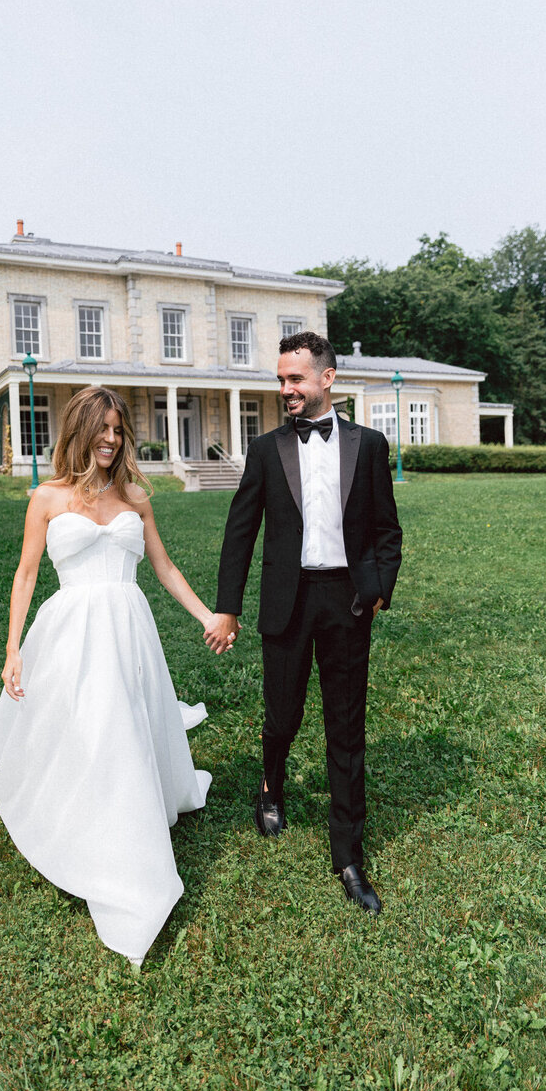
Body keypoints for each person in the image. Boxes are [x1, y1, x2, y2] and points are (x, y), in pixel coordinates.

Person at [0, 387, 232, 966]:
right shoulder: (46, 497)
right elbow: (26, 575)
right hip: (69, 629)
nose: (112, 439)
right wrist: (12, 650)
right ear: (81, 431)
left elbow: (162, 567)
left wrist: (207, 614)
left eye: (118, 429)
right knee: (84, 727)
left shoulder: (136, 496)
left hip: (128, 628)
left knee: (122, 724)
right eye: (102, 429)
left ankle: (129, 818)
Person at [204, 332, 402, 914]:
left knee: (346, 729)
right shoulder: (266, 451)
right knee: (282, 714)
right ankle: (271, 784)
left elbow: (388, 530)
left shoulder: (369, 446)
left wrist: (379, 591)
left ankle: (348, 855)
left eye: (295, 379)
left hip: (346, 602)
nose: (286, 389)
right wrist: (228, 605)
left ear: (327, 379)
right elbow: (240, 532)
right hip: (286, 602)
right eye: (281, 380)